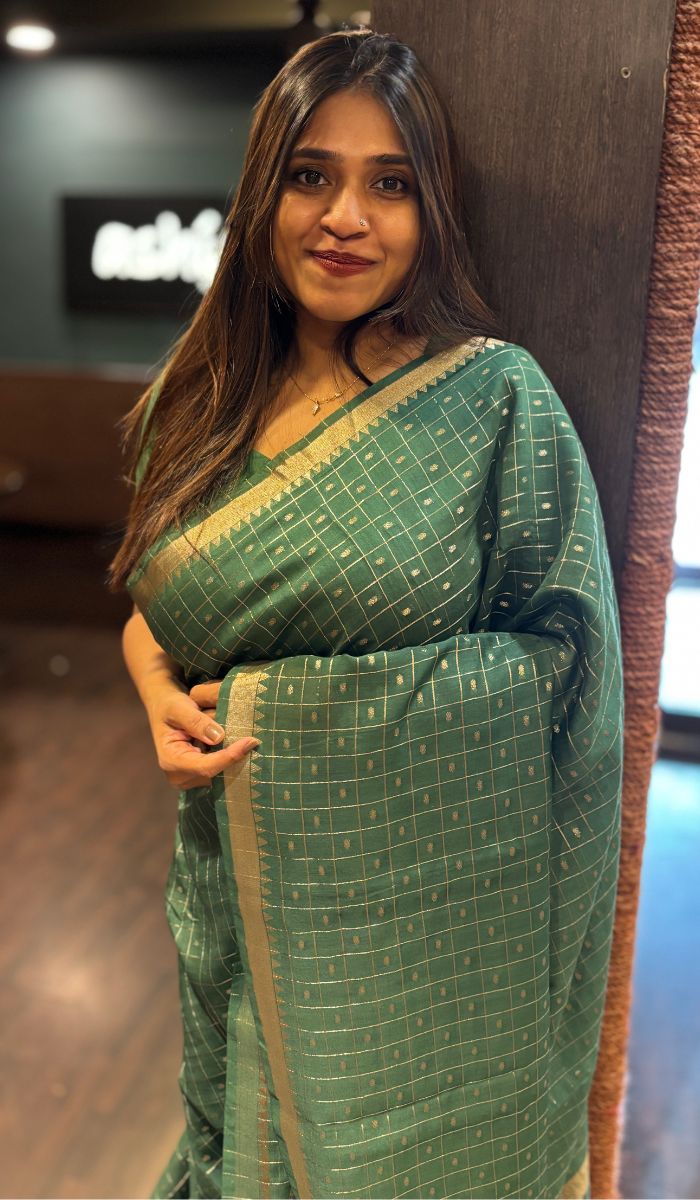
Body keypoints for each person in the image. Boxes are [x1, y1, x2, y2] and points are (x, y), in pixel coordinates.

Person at [109, 27, 623, 1200]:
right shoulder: (198, 399)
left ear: (431, 209)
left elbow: (573, 671)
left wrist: (283, 717)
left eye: (389, 183)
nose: (346, 217)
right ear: (263, 194)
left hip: (420, 946)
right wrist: (153, 694)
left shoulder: (492, 400)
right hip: (231, 893)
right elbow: (160, 610)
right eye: (311, 175)